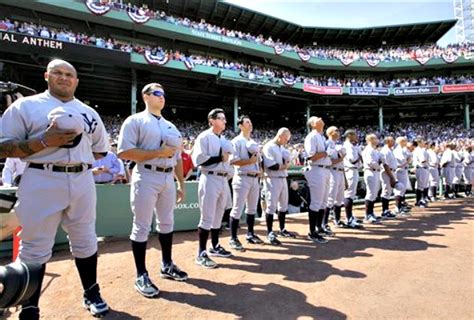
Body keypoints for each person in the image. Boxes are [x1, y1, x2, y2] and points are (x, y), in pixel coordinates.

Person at [0, 59, 109, 318]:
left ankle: (91, 292)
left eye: (69, 74)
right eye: (58, 73)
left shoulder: (89, 112)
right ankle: (30, 305)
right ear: (46, 76)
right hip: (41, 176)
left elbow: (101, 149)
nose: (64, 78)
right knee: (35, 246)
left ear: (76, 81)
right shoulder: (26, 105)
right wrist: (42, 142)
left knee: (85, 240)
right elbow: (2, 146)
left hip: (82, 178)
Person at [117, 82, 188, 298]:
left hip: (167, 178)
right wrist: (158, 152)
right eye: (157, 93)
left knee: (167, 223)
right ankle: (141, 274)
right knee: (141, 226)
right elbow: (124, 152)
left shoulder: (171, 126)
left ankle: (167, 264)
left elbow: (176, 158)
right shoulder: (135, 120)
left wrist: (181, 183)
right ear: (145, 96)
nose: (162, 97)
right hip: (146, 174)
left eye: (164, 94)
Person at [192, 108, 233, 269]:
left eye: (224, 118)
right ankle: (201, 253)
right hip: (209, 177)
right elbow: (199, 160)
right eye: (221, 118)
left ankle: (215, 246)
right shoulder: (204, 136)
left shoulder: (223, 138)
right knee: (207, 216)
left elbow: (227, 161)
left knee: (218, 216)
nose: (224, 121)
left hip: (222, 178)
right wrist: (219, 158)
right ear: (212, 121)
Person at [228, 115, 263, 251]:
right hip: (242, 177)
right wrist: (249, 162)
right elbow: (232, 161)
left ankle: (250, 234)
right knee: (237, 208)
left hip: (254, 178)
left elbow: (258, 160)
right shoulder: (236, 141)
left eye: (250, 122)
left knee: (252, 209)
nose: (250, 124)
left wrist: (259, 170)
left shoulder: (253, 142)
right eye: (247, 122)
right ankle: (233, 238)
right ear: (241, 126)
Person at [262, 127, 294, 245]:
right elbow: (271, 165)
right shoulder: (269, 146)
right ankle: (269, 232)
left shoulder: (281, 147)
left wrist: (285, 165)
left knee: (283, 206)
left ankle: (282, 229)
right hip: (272, 178)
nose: (287, 141)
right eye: (286, 139)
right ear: (280, 136)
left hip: (282, 178)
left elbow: (288, 160)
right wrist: (284, 166)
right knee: (271, 206)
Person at [304, 117, 331, 243]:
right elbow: (311, 156)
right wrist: (326, 152)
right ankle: (312, 232)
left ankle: (319, 227)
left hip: (325, 169)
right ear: (313, 124)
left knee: (323, 202)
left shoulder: (321, 136)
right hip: (316, 169)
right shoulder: (312, 136)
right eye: (317, 118)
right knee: (316, 202)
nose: (321, 118)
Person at [325, 126, 345, 230]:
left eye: (338, 130)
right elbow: (328, 162)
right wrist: (341, 158)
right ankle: (324, 223)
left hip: (340, 171)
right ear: (330, 133)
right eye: (336, 130)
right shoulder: (328, 143)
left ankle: (337, 220)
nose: (338, 132)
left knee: (339, 198)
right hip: (332, 172)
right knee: (330, 198)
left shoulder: (337, 144)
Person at [342, 129, 363, 228]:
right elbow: (352, 160)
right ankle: (348, 218)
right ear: (349, 135)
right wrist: (359, 155)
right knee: (349, 194)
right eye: (354, 134)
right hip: (350, 170)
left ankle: (350, 217)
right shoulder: (348, 146)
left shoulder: (351, 145)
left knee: (351, 194)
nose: (357, 136)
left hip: (352, 170)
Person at [362, 134, 383, 223]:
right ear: (370, 140)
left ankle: (371, 213)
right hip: (370, 171)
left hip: (376, 171)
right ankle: (367, 215)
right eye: (375, 138)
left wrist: (380, 162)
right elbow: (371, 162)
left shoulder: (375, 150)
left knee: (374, 194)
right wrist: (380, 163)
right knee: (370, 193)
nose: (377, 140)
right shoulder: (368, 150)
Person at [379, 137, 398, 218]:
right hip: (387, 172)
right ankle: (384, 211)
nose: (393, 142)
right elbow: (385, 165)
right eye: (392, 141)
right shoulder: (385, 150)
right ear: (388, 141)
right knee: (386, 191)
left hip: (391, 171)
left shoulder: (389, 150)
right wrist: (391, 177)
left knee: (388, 191)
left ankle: (386, 210)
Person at [412, 139, 429, 207]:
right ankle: (420, 201)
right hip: (421, 168)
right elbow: (423, 160)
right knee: (421, 186)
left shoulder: (420, 150)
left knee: (423, 185)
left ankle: (420, 200)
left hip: (423, 168)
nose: (424, 143)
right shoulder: (420, 150)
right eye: (422, 142)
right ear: (419, 143)